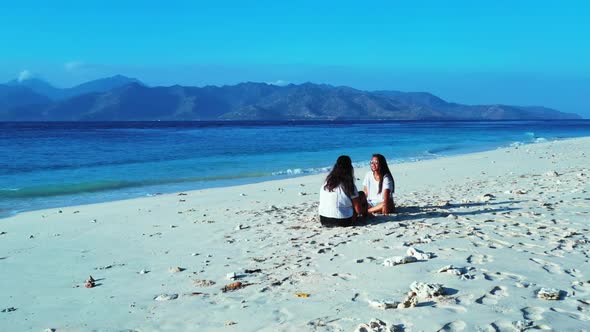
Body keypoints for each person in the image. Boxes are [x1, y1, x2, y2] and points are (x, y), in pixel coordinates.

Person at [318, 155, 366, 227]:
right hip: (343, 220)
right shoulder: (348, 185)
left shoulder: (326, 183)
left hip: (324, 219)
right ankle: (366, 215)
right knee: (361, 195)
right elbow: (358, 210)